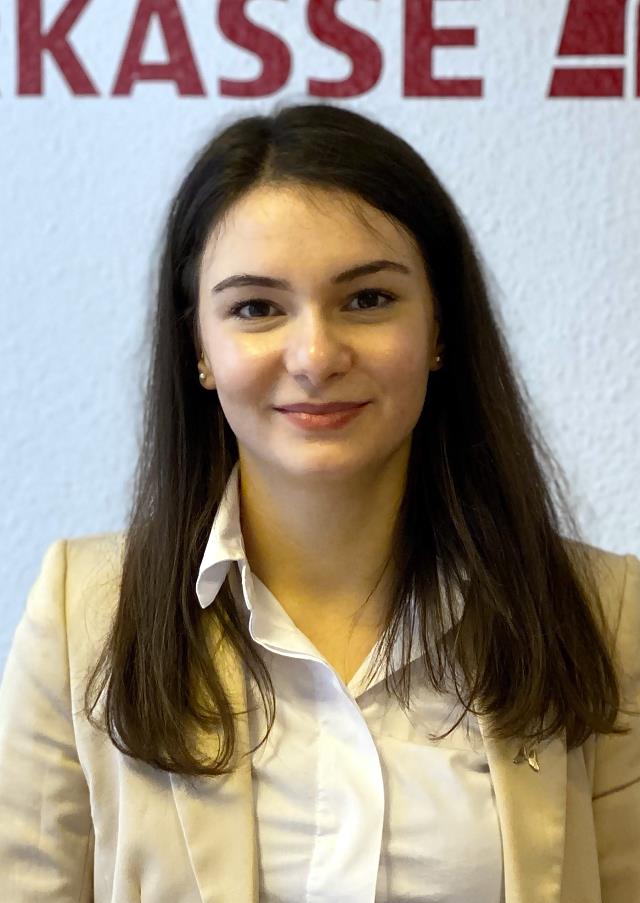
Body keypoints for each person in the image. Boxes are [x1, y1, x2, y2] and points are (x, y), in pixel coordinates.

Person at [0, 101, 637, 903]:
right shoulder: (81, 617)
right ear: (200, 346)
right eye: (257, 308)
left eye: (367, 299)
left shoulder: (604, 613)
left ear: (440, 327)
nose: (315, 356)